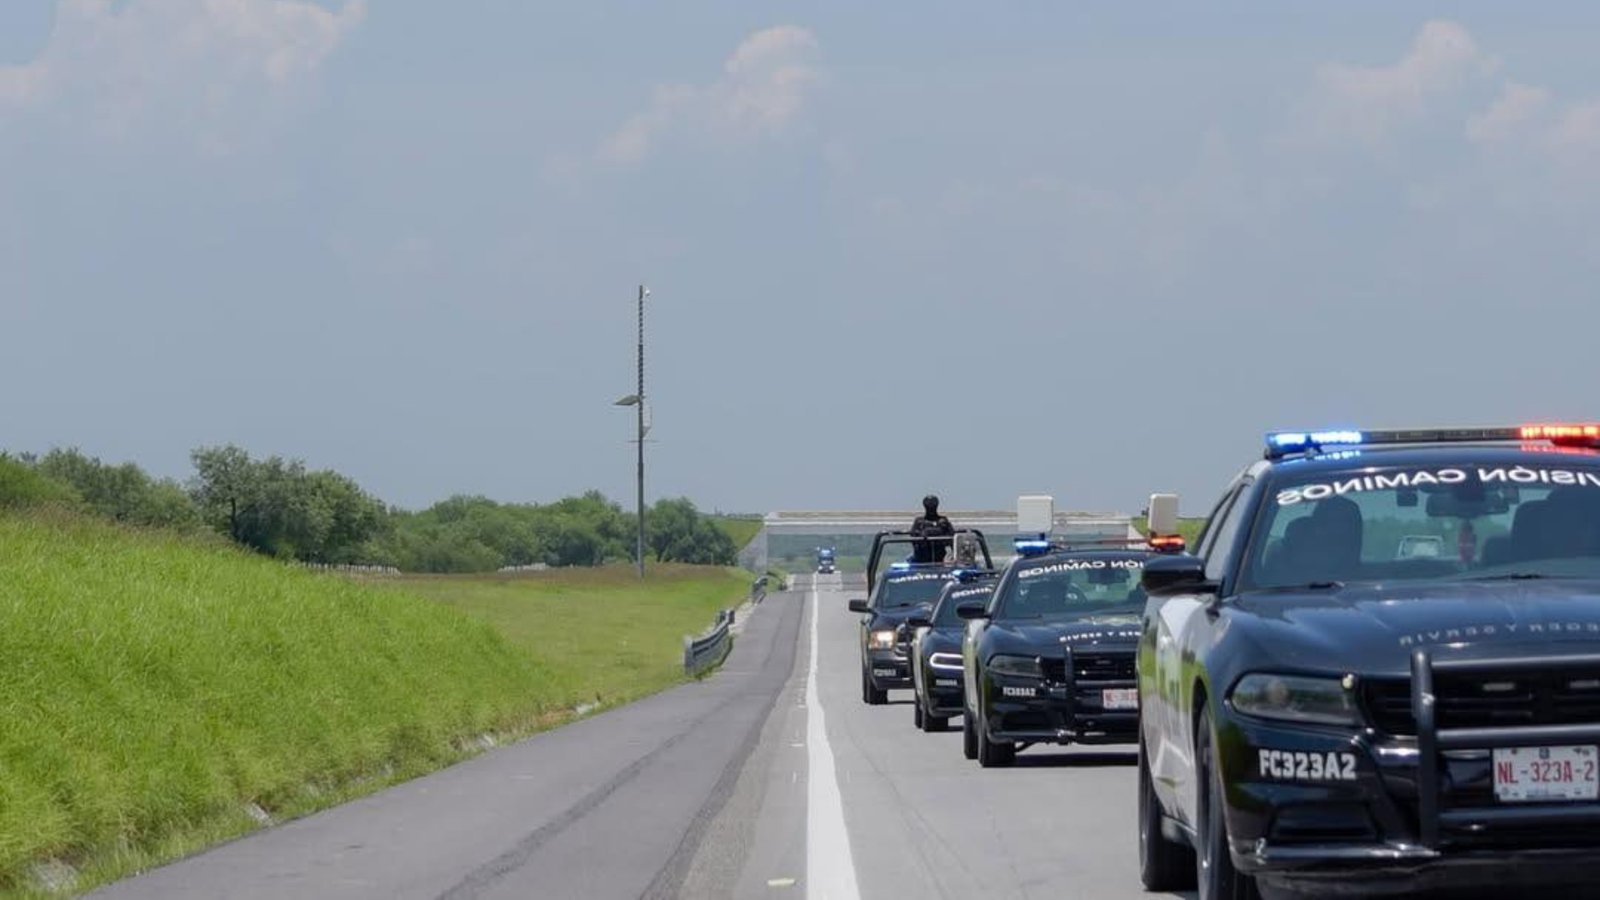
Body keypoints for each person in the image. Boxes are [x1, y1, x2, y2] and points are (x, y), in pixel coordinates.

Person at [909, 494, 954, 563]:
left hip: (940, 557)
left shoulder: (943, 521)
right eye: (928, 505)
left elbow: (952, 538)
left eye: (932, 505)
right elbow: (913, 538)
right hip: (921, 557)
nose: (931, 508)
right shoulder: (919, 522)